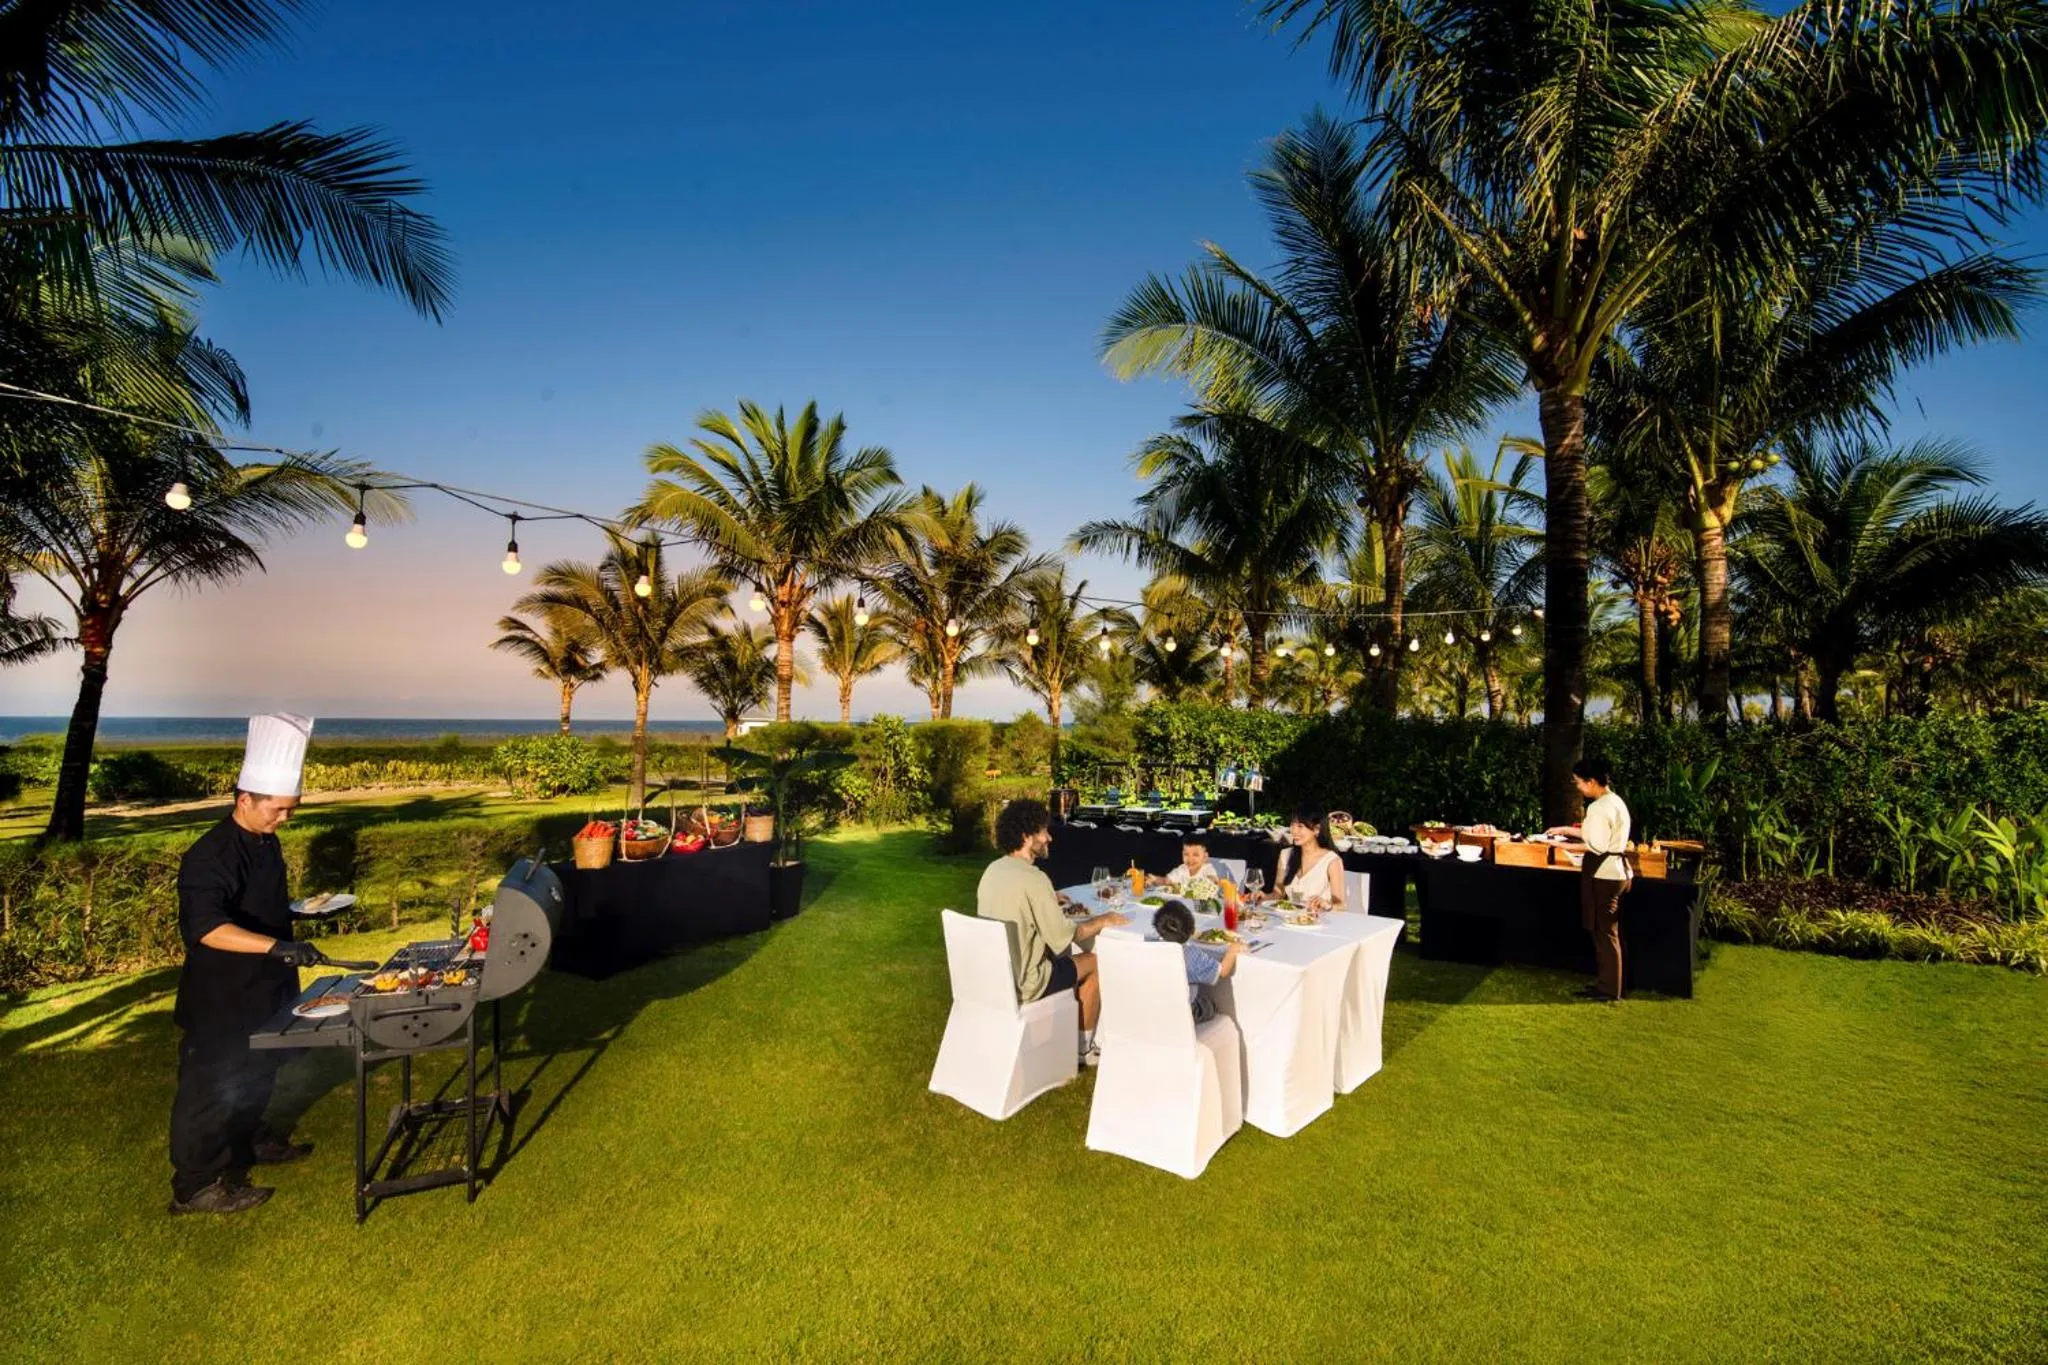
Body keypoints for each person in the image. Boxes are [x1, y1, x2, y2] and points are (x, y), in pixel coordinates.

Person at [167, 714, 325, 1215]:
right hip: (223, 995)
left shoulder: (264, 841)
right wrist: (276, 947)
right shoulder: (209, 855)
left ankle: (250, 1140)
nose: (284, 820)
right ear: (244, 800)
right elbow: (207, 928)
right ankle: (195, 1185)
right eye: (278, 810)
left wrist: (295, 916)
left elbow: (256, 905)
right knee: (210, 1088)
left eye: (290, 811)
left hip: (266, 987)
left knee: (260, 1070)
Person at [977, 798, 1127, 1066]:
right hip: (1028, 983)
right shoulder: (1035, 878)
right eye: (1043, 831)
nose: (1050, 838)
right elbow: (1064, 938)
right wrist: (1102, 919)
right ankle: (1084, 1049)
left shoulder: (992, 870)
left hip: (994, 978)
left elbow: (1017, 905)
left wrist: (1048, 899)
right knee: (1095, 963)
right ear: (1026, 837)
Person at [1546, 755, 1633, 1001]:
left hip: (1603, 873)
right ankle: (1608, 984)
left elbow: (1595, 845)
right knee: (1607, 931)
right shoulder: (1615, 801)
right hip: (1618, 870)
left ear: (1591, 781)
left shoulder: (1598, 807)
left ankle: (1609, 989)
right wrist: (1563, 830)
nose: (1577, 787)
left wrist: (1556, 844)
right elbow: (1594, 834)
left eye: (1578, 782)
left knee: (1604, 931)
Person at [1151, 899, 1244, 1023]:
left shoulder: (1150, 945)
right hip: (1184, 1014)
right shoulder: (1191, 955)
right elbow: (1222, 971)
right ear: (1192, 930)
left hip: (1157, 1007)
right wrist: (1232, 950)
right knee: (1210, 1004)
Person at [1269, 807, 1346, 911]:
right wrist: (1263, 898)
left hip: (1321, 921)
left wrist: (1326, 904)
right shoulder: (1286, 855)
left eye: (1300, 826)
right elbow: (1278, 892)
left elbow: (1341, 906)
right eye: (1292, 825)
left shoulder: (1332, 861)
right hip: (1290, 920)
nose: (1294, 831)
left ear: (1317, 829)